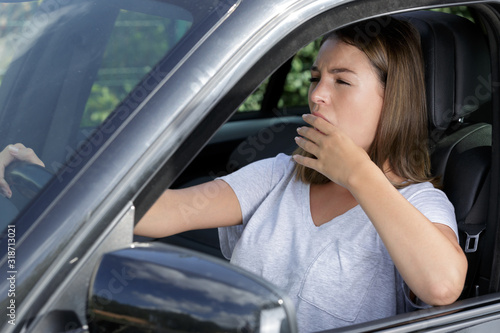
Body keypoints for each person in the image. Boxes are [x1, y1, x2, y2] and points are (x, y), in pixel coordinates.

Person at [0, 17, 467, 332]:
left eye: (341, 81)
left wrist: (359, 175)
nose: (318, 96)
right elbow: (163, 212)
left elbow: (442, 284)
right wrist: (50, 177)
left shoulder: (420, 205)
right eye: (315, 78)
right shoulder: (279, 175)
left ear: (393, 101)